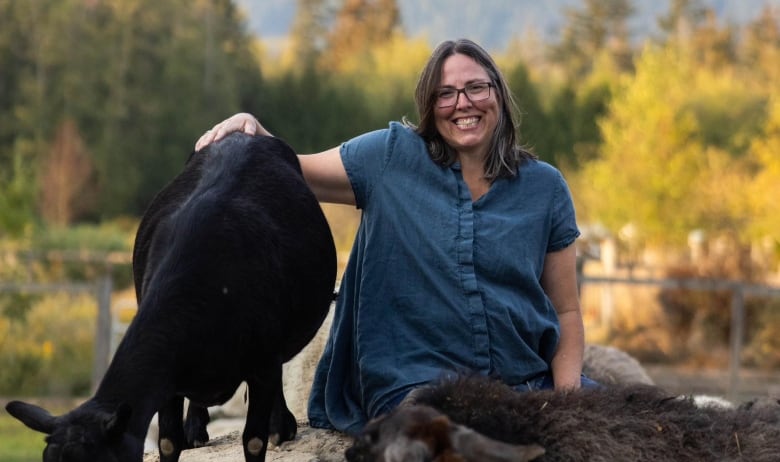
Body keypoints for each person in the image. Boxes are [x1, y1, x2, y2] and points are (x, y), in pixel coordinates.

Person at [197, 38, 591, 435]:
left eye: (475, 87)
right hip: (417, 388)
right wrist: (250, 127)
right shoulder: (388, 158)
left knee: (630, 440)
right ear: (428, 105)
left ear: (498, 95)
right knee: (463, 455)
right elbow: (293, 170)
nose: (463, 103)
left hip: (526, 382)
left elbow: (566, 312)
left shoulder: (546, 188)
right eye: (446, 94)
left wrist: (567, 401)